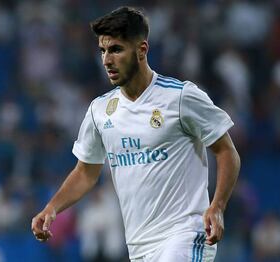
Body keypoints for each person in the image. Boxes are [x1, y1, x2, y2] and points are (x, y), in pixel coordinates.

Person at [31, 6, 240, 262]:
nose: (107, 59)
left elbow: (226, 151)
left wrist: (217, 207)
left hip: (185, 234)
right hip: (139, 246)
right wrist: (52, 208)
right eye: (103, 51)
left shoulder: (181, 97)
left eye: (116, 49)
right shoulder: (101, 111)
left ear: (142, 50)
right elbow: (86, 172)